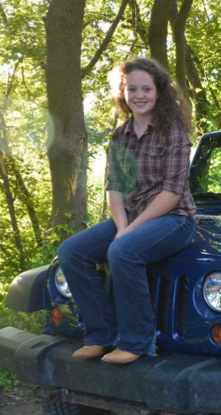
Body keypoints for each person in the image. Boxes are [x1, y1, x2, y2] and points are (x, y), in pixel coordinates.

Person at [58, 57, 196, 364]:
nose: (140, 95)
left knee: (123, 252)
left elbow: (172, 191)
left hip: (173, 219)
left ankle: (136, 342)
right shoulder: (120, 135)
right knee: (71, 252)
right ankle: (101, 335)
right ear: (123, 93)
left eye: (146, 88)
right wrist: (121, 227)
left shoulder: (172, 131)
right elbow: (115, 189)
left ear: (158, 91)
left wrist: (127, 234)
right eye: (132, 88)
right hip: (129, 218)